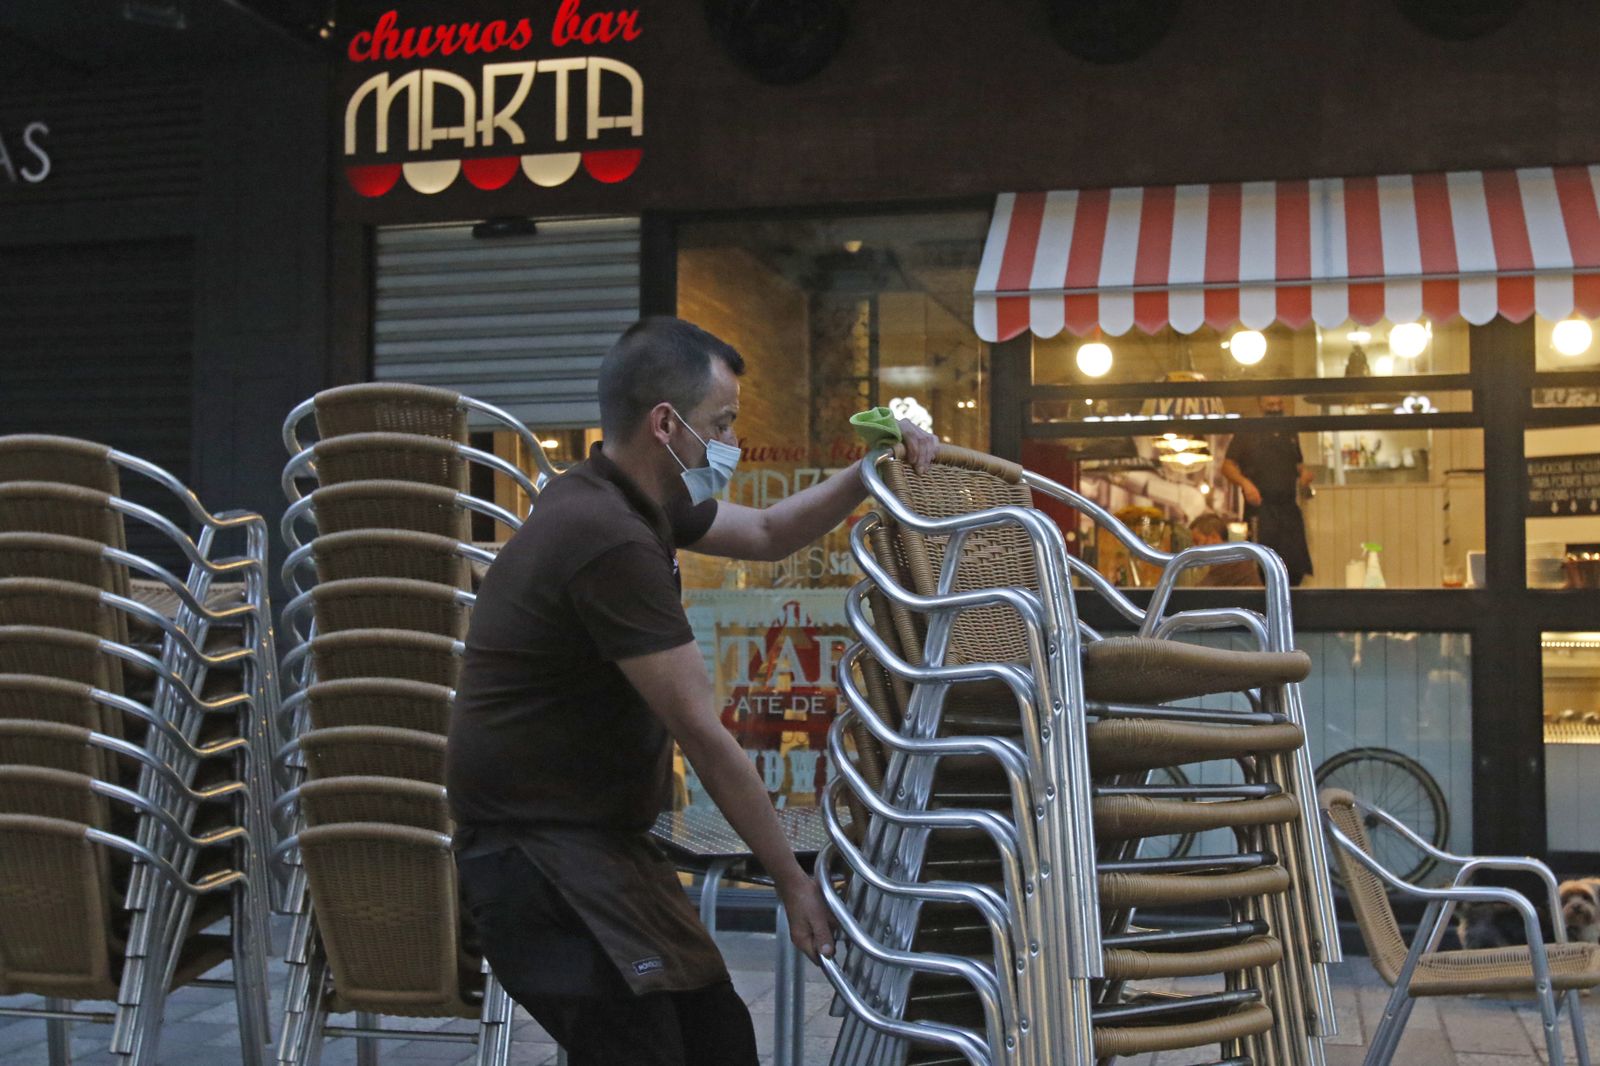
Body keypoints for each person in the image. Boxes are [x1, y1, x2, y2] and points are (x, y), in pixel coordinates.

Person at [445, 316, 938, 1066]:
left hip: (601, 844)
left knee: (717, 1039)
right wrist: (791, 882)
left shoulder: (628, 501)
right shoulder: (605, 536)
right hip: (538, 856)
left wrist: (868, 469)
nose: (731, 442)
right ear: (665, 424)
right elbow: (703, 733)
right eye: (722, 423)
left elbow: (768, 532)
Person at [1219, 395, 1315, 586]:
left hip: (1288, 509)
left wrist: (1304, 473)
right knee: (1261, 567)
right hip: (1261, 509)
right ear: (1260, 404)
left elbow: (1298, 464)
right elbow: (1227, 466)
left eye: (1279, 404)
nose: (1276, 408)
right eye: (1271, 404)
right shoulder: (1248, 430)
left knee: (1294, 568)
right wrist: (1245, 483)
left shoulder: (1289, 431)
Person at [1187, 512, 1260, 586]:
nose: (1194, 548)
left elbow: (1200, 590)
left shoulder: (1229, 562)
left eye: (1197, 541)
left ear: (1214, 537)